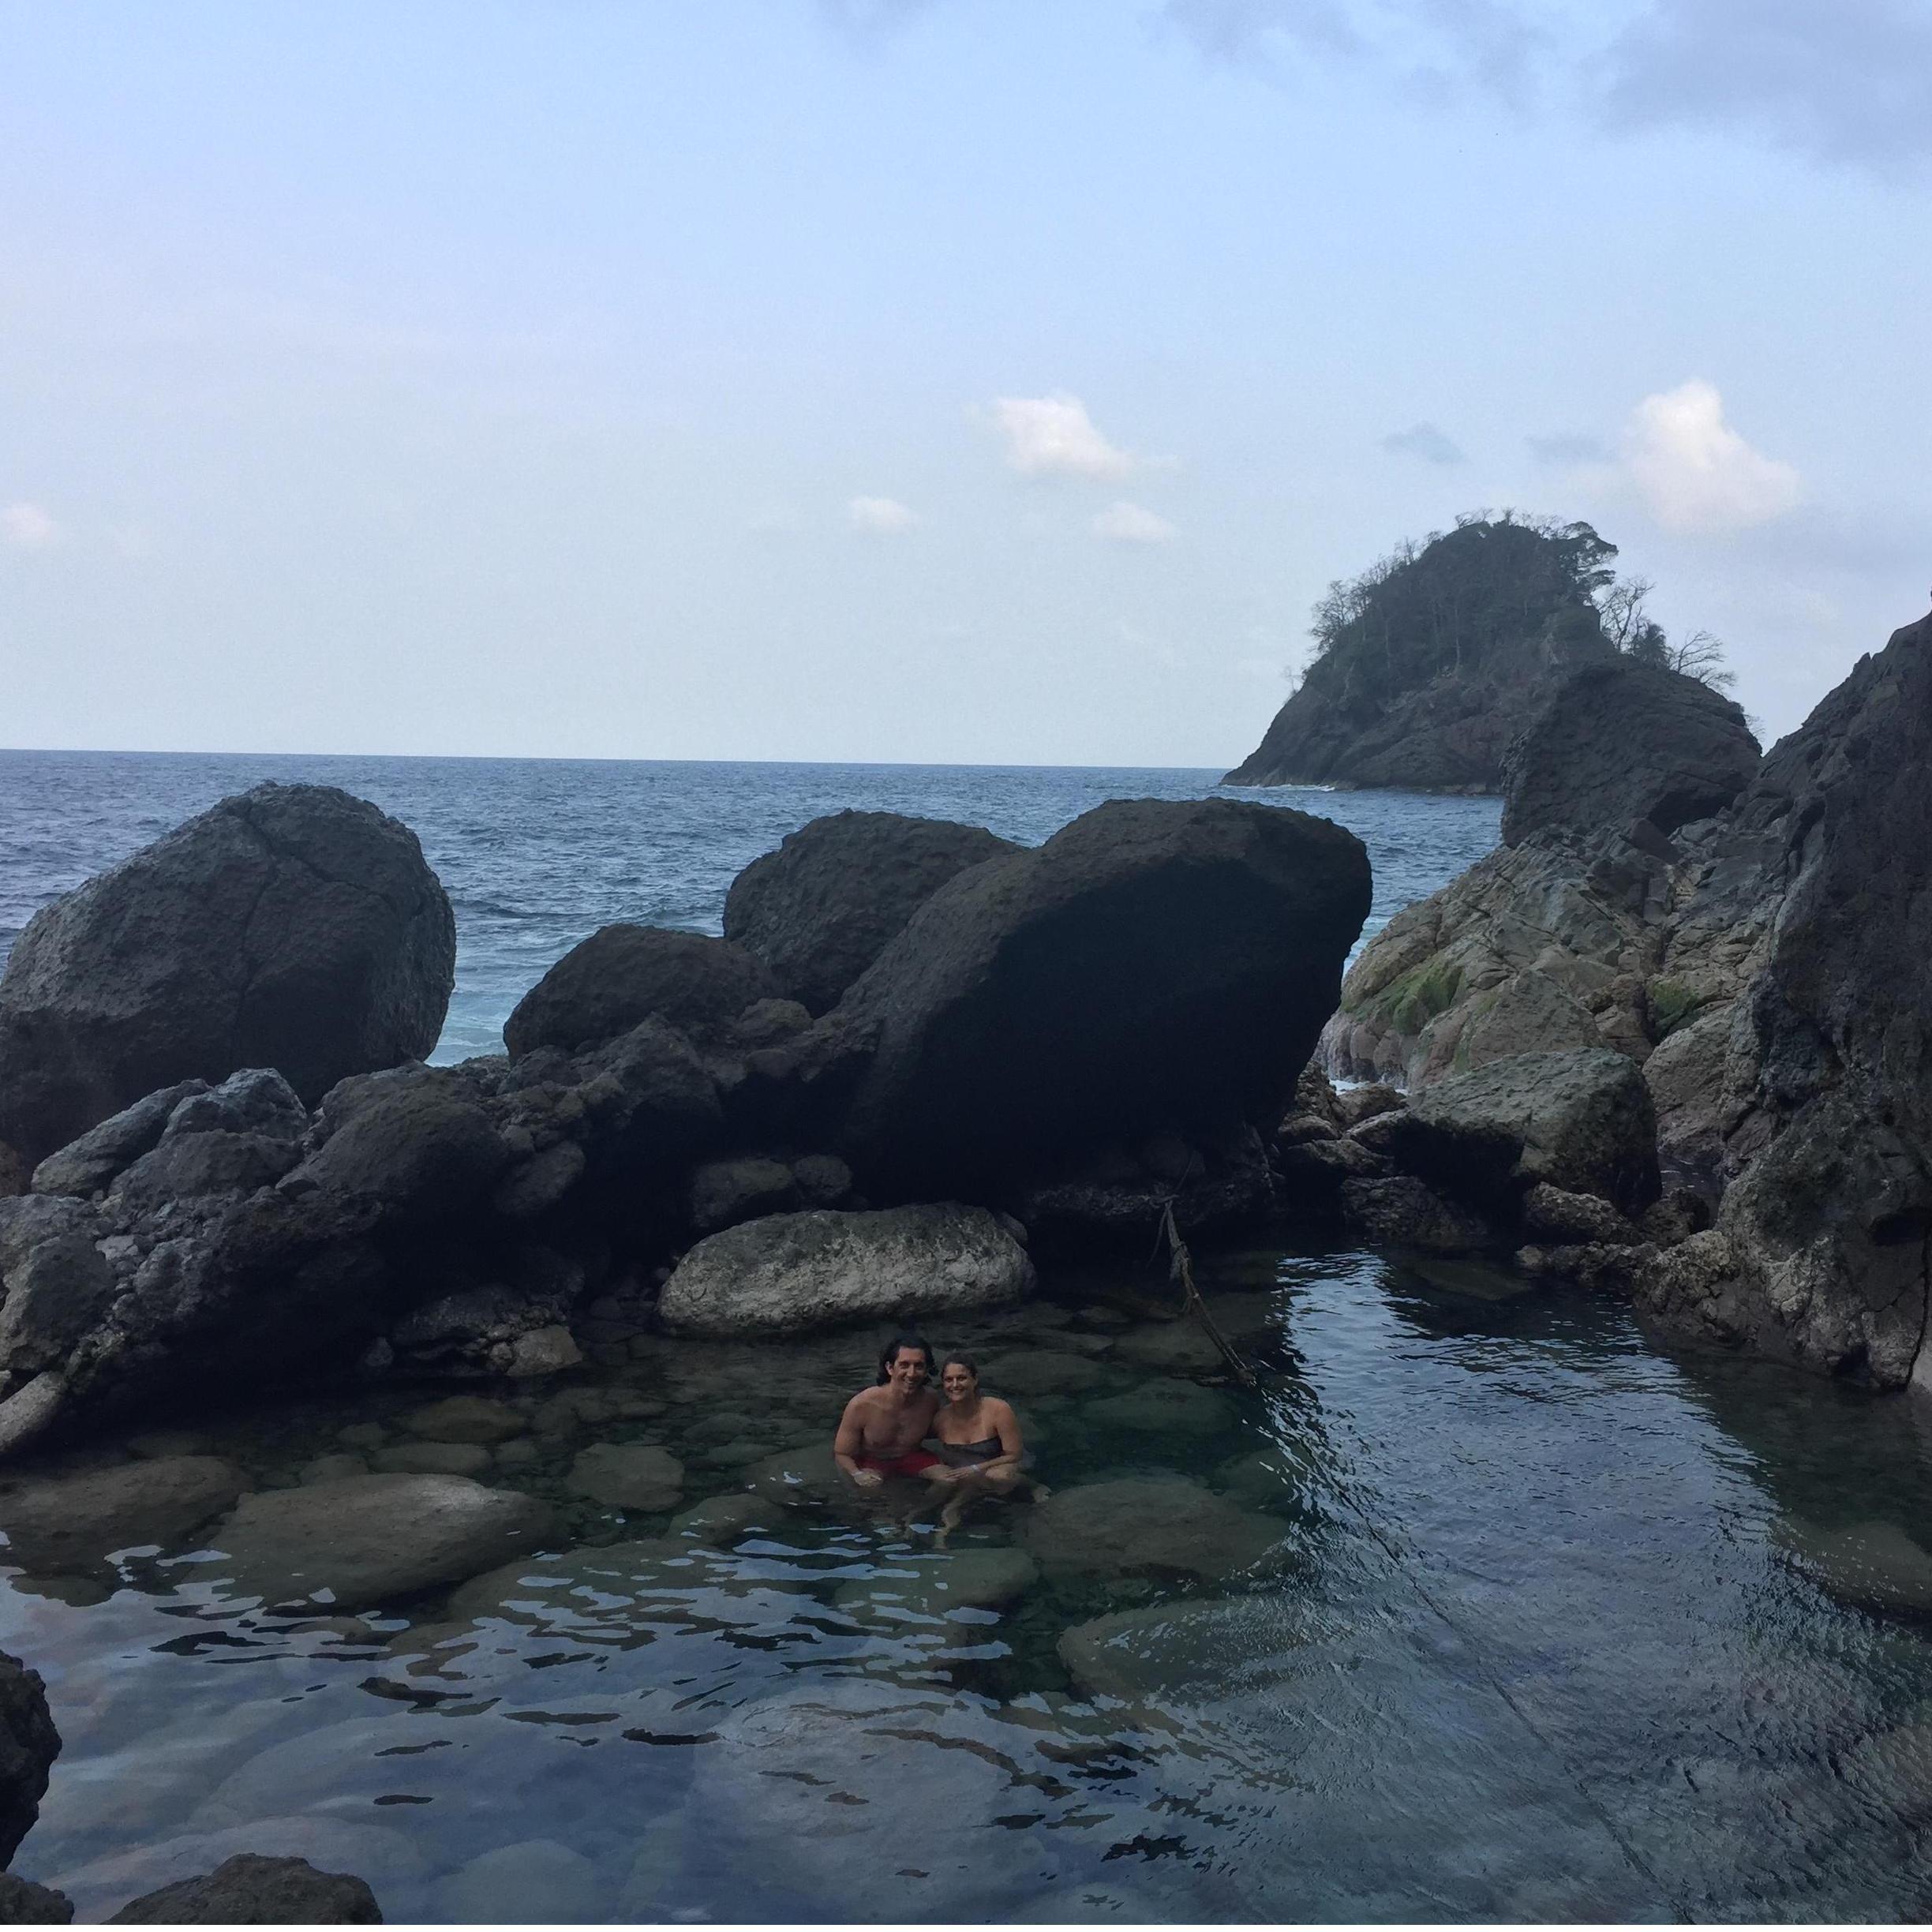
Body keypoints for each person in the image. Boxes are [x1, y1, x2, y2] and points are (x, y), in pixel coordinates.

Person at [927, 1352, 1031, 1536]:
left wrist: (976, 1468)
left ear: (975, 1380)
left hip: (1003, 1463)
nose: (955, 1385)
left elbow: (1015, 1454)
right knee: (945, 1490)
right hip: (968, 1472)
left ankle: (1031, 1485)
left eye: (961, 1378)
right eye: (949, 1380)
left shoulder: (998, 1409)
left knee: (998, 1476)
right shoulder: (940, 1419)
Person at [833, 1333, 942, 1488]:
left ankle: (932, 1504)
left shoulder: (931, 1400)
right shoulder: (862, 1404)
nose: (911, 1374)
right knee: (871, 1487)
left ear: (926, 1370)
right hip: (872, 1462)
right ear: (890, 1368)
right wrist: (857, 1474)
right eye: (904, 1365)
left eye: (918, 1366)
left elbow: (946, 1431)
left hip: (912, 1456)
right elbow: (842, 1453)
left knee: (948, 1479)